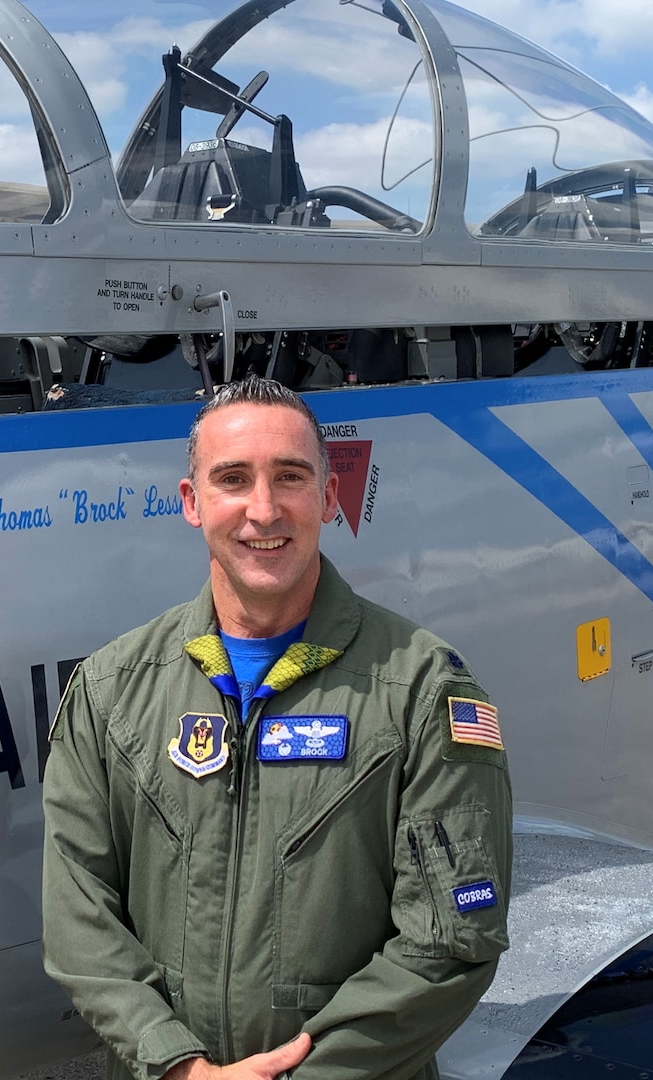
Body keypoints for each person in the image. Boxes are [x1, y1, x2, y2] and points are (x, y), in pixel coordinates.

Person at [41, 377, 513, 1080]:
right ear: (192, 502)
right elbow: (77, 914)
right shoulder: (113, 690)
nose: (264, 509)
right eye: (233, 479)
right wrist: (177, 1065)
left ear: (328, 496)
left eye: (289, 477)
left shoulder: (421, 690)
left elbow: (453, 936)